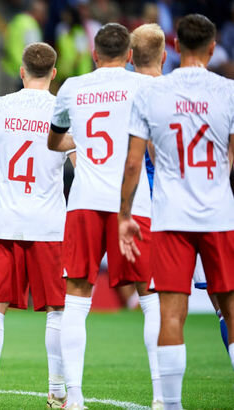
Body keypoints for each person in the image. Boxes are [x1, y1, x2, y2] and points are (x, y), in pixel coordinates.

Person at [118, 14, 234, 410]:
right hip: (219, 213)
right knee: (231, 309)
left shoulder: (152, 93)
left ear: (176, 46)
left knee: (171, 312)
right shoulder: (228, 91)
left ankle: (169, 406)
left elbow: (135, 162)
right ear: (213, 47)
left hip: (170, 217)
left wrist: (123, 214)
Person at [47, 23, 161, 409]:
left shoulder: (72, 87)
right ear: (130, 56)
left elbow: (54, 141)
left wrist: (78, 139)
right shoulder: (143, 86)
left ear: (94, 55)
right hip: (132, 204)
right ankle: (163, 397)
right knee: (150, 297)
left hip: (84, 201)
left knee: (76, 299)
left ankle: (74, 399)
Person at [0, 42, 71, 410]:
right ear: (54, 73)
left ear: (22, 71)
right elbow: (79, 158)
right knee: (57, 311)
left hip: (6, 222)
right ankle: (57, 393)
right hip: (49, 226)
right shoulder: (63, 108)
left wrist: (9, 186)